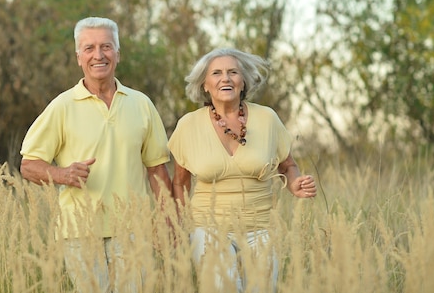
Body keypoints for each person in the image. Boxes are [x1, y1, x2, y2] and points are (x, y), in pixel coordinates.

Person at [19, 17, 172, 293]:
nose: (98, 55)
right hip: (80, 232)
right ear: (78, 57)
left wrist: (167, 220)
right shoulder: (62, 106)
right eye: (89, 48)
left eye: (106, 47)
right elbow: (28, 165)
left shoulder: (142, 104)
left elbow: (157, 171)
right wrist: (62, 174)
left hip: (132, 228)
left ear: (118, 54)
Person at [169, 48, 317, 292]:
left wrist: (295, 183)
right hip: (208, 228)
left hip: (260, 227)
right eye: (216, 73)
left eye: (233, 72)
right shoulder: (188, 125)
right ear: (205, 84)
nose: (225, 78)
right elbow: (179, 182)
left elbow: (288, 164)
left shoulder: (267, 118)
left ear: (243, 81)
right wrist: (176, 223)